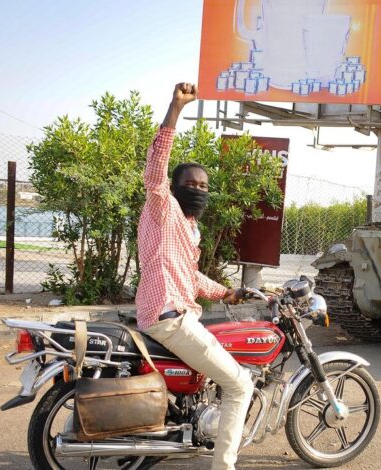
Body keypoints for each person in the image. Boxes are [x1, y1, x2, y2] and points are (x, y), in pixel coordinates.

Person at [136, 83, 254, 470]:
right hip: (170, 318)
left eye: (204, 186)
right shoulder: (163, 208)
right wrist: (175, 108)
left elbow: (191, 276)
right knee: (239, 383)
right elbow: (155, 170)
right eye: (190, 184)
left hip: (175, 313)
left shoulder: (187, 227)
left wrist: (230, 294)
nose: (198, 190)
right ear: (174, 188)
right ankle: (224, 466)